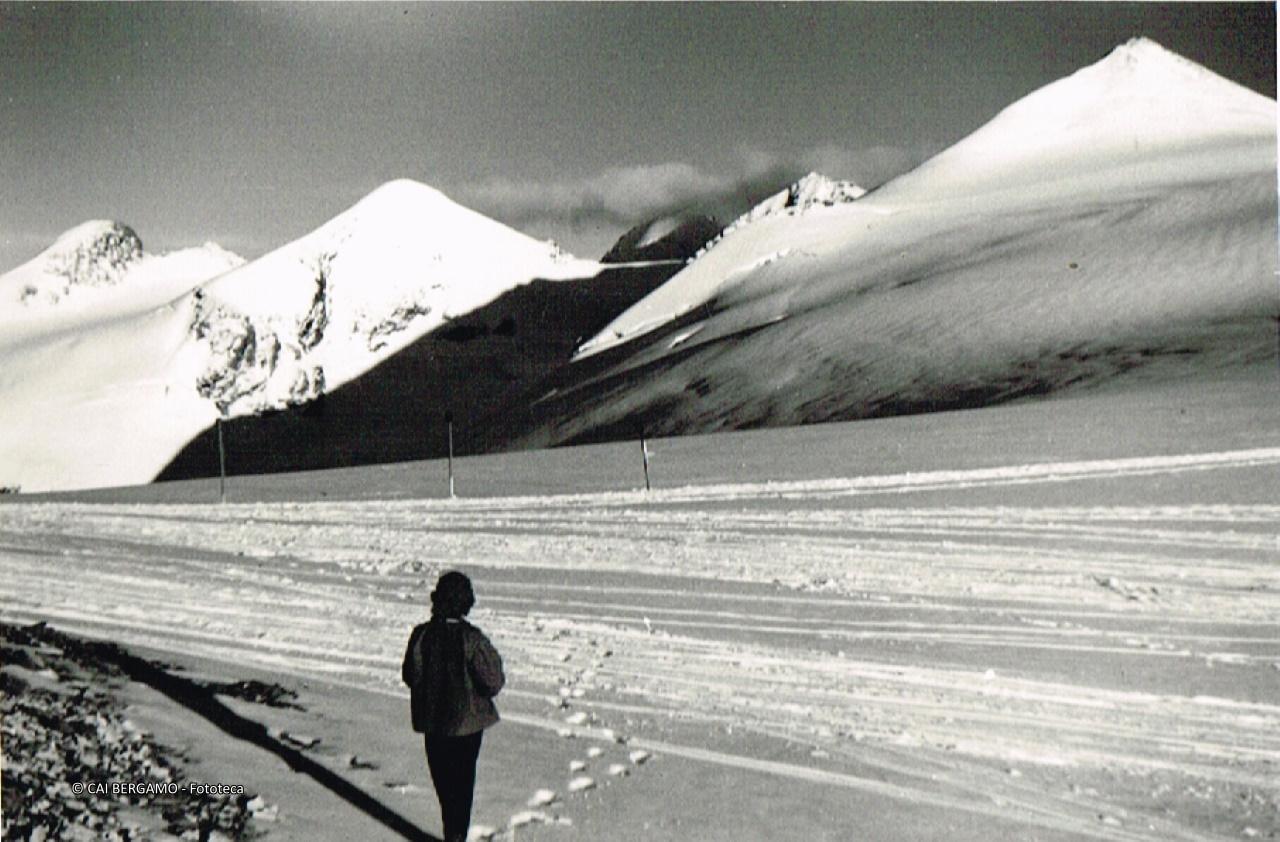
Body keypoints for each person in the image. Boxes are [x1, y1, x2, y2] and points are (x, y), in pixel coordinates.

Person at [402, 571, 505, 842]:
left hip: (433, 724)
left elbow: (410, 675)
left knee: (445, 787)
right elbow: (493, 681)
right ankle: (456, 836)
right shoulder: (472, 638)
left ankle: (453, 834)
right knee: (462, 786)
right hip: (468, 727)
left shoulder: (421, 634)